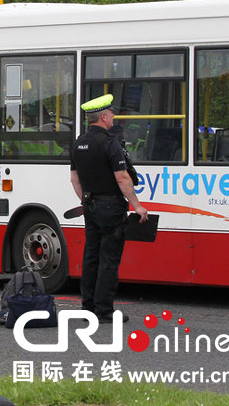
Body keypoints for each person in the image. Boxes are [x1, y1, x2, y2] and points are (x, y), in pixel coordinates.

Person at [69, 94, 148, 323]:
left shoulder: (79, 142)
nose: (113, 116)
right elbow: (123, 178)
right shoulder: (109, 142)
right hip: (111, 206)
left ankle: (88, 308)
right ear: (103, 116)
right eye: (111, 113)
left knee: (91, 256)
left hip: (90, 206)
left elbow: (74, 179)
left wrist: (85, 200)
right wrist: (137, 206)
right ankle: (104, 311)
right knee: (109, 258)